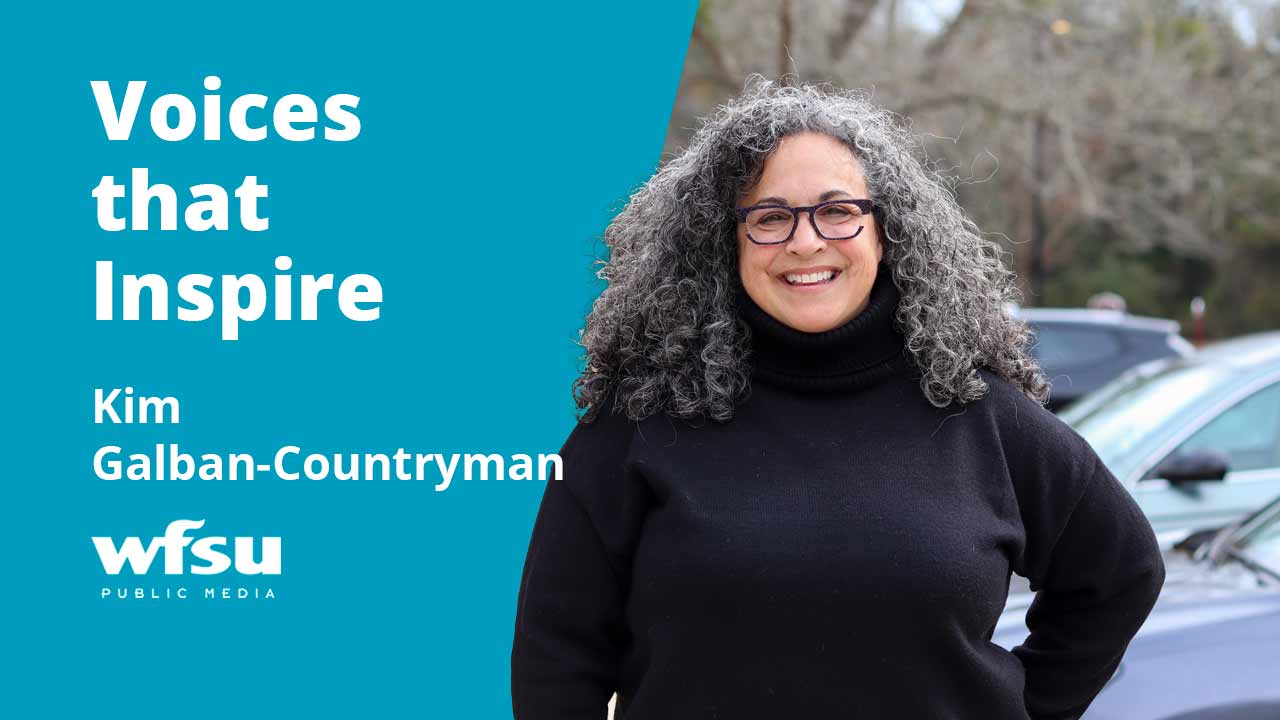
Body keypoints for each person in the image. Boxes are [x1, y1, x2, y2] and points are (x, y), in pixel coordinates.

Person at [510, 77, 1165, 719]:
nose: (805, 240)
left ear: (885, 233)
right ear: (725, 241)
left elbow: (1121, 571)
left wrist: (1022, 705)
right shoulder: (639, 422)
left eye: (837, 211)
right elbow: (556, 655)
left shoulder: (981, 414)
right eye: (769, 217)